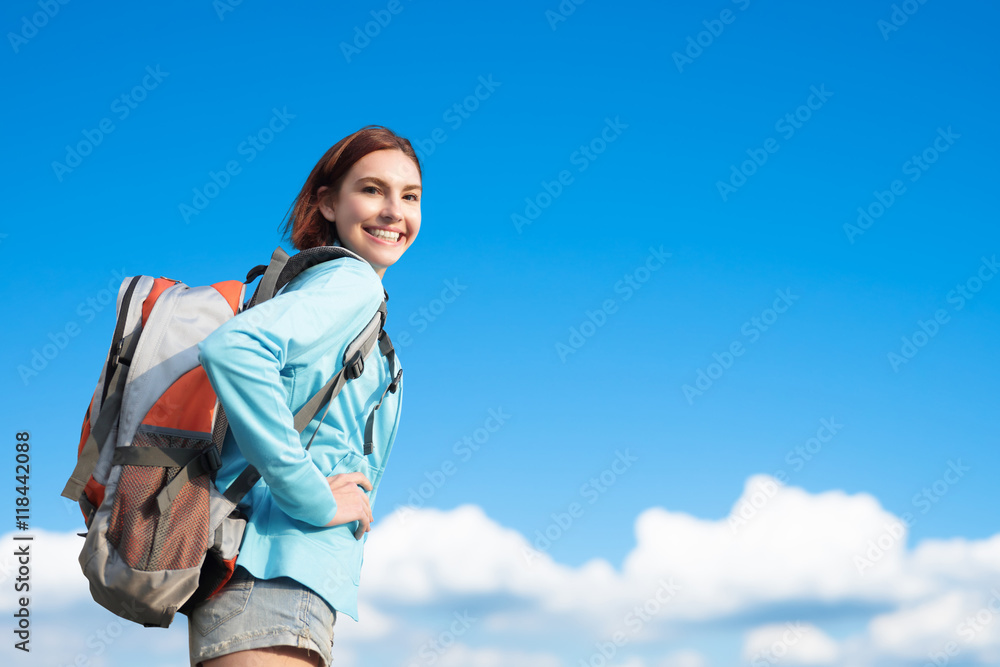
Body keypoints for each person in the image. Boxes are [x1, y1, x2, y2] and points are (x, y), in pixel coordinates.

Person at [187, 125, 422, 667]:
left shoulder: (327, 288)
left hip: (268, 579)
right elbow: (233, 349)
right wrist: (312, 497)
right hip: (272, 574)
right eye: (371, 190)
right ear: (328, 202)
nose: (394, 211)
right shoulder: (351, 283)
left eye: (409, 196)